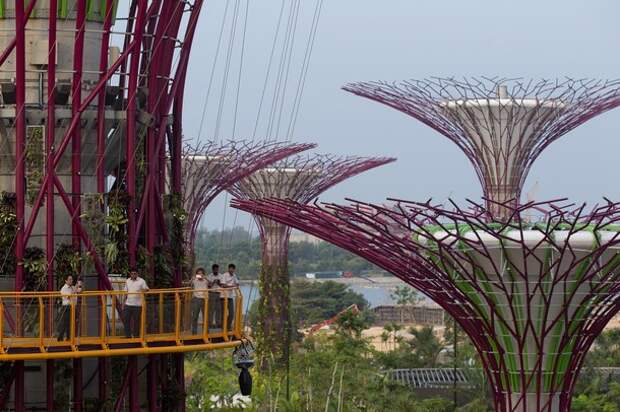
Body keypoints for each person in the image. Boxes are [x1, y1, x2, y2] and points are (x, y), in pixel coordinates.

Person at [123, 269, 149, 338]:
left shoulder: (141, 281)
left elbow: (147, 289)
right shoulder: (127, 281)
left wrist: (142, 290)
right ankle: (128, 336)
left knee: (136, 321)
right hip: (128, 304)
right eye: (132, 273)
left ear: (137, 274)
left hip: (137, 305)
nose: (133, 275)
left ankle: (136, 336)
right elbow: (125, 292)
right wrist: (123, 303)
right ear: (130, 274)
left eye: (135, 273)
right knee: (126, 319)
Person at [57, 275, 82, 341]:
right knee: (65, 323)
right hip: (66, 307)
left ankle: (68, 337)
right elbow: (68, 296)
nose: (71, 281)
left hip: (73, 307)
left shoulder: (72, 287)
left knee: (71, 323)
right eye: (70, 279)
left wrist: (79, 284)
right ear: (66, 281)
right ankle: (60, 338)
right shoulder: (64, 288)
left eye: (72, 279)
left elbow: (79, 290)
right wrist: (74, 290)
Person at [220, 263, 240, 330]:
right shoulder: (224, 275)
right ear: (228, 269)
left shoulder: (234, 275)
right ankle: (223, 328)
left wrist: (236, 284)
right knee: (224, 313)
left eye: (232, 269)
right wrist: (232, 286)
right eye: (230, 268)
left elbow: (237, 283)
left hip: (230, 297)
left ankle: (228, 327)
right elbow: (223, 285)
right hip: (224, 296)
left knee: (231, 313)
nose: (231, 270)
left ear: (234, 270)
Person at [191, 267, 209, 334]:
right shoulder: (194, 280)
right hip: (196, 299)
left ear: (203, 274)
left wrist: (205, 278)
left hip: (205, 299)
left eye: (201, 274)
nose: (199, 275)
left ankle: (206, 331)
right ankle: (194, 332)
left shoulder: (206, 280)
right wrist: (192, 279)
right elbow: (189, 285)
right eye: (198, 274)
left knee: (205, 316)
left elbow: (211, 284)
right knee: (195, 316)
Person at [206, 264, 222, 328]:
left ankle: (218, 323)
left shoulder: (221, 276)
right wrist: (213, 282)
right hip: (211, 293)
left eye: (217, 269)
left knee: (218, 309)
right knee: (211, 309)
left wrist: (218, 282)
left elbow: (222, 285)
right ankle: (210, 323)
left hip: (218, 293)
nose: (216, 270)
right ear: (212, 270)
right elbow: (208, 286)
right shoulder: (209, 276)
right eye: (215, 269)